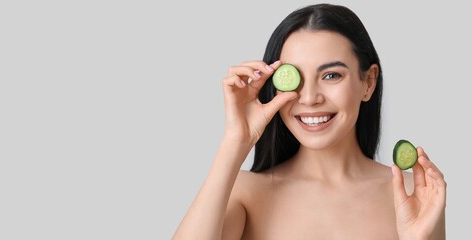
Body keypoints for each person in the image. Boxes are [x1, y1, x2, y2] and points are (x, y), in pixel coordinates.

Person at [173, 3, 446, 240]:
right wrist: (235, 140)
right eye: (294, 78)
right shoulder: (246, 194)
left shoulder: (410, 193)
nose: (310, 98)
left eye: (331, 76)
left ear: (368, 82)